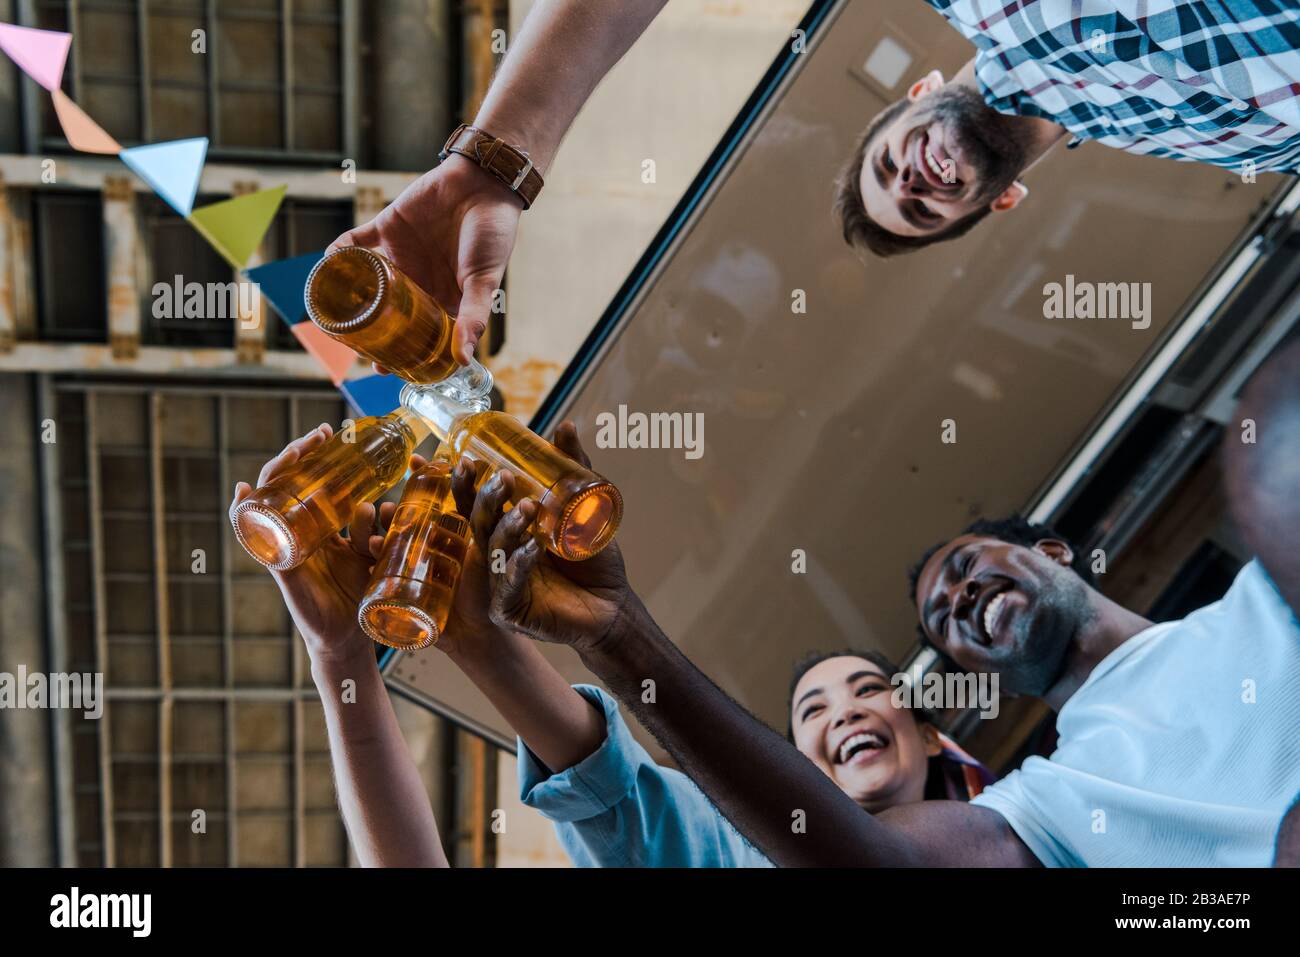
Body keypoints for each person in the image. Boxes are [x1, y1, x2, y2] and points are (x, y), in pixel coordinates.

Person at [459, 445, 1300, 867]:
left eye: (969, 568)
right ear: (973, 674)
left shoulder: (1265, 598)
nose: (960, 597)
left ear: (1053, 551)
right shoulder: (1051, 806)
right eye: (944, 616)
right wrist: (617, 636)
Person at [230, 425, 991, 867]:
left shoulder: (1046, 813)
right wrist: (345, 658)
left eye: (866, 689)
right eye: (812, 714)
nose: (845, 714)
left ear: (931, 732)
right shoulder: (741, 855)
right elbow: (613, 789)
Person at [836, 0, 1300, 256]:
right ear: (1004, 199)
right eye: (922, 212)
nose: (908, 182)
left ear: (920, 90)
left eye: (887, 164)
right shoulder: (1184, 141)